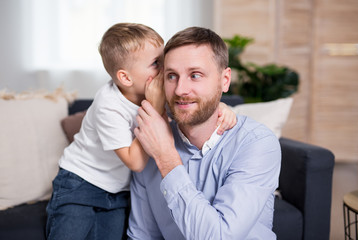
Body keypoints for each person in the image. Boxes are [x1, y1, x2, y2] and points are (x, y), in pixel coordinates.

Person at [46, 23, 236, 240]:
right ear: (126, 78)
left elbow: (191, 107)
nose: (165, 69)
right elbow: (135, 162)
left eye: (163, 60)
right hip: (81, 182)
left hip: (118, 189)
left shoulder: (161, 90)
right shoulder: (108, 104)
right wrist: (154, 107)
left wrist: (221, 107)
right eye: (156, 63)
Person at [128, 27, 281, 239]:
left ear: (224, 80)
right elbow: (142, 236)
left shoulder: (256, 143)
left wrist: (166, 157)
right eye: (172, 76)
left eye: (195, 75)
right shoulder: (147, 146)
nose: (181, 89)